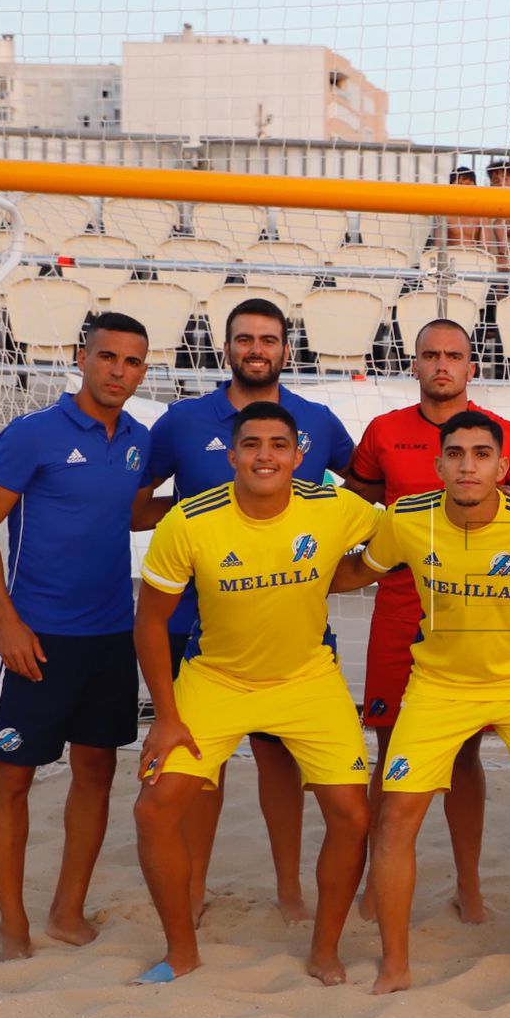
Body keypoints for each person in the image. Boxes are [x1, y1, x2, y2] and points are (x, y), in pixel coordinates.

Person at [330, 411, 510, 995]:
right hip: (438, 685)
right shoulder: (406, 520)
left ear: (502, 467)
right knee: (394, 817)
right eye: (457, 454)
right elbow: (352, 571)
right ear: (438, 465)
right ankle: (395, 965)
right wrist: (288, 575)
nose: (469, 464)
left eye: (481, 454)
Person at [132, 402, 381, 985]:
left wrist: (349, 574)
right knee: (153, 811)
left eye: (277, 444)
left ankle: (324, 951)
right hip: (216, 679)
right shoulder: (190, 520)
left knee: (352, 815)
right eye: (251, 445)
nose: (264, 455)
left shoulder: (337, 507)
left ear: (299, 455)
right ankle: (181, 952)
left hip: (307, 679)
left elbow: (395, 542)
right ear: (232, 454)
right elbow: (148, 623)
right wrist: (165, 717)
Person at [132, 297, 357, 926]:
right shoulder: (182, 422)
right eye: (244, 339)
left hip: (288, 625)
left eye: (268, 339)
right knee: (200, 763)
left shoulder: (315, 420)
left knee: (280, 757)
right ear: (226, 347)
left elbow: (360, 495)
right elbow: (134, 504)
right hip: (195, 625)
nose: (256, 349)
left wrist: (327, 570)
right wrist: (197, 521)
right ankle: (195, 887)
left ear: (287, 349)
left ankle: (289, 888)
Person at [341, 317, 510, 926]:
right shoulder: (383, 432)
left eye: (453, 355)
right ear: (415, 363)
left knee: (464, 755)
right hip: (401, 606)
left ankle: (469, 884)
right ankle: (380, 883)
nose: (441, 365)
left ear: (471, 365)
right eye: (430, 354)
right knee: (391, 749)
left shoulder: (508, 436)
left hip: (477, 614)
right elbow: (353, 512)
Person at [0, 313, 152, 962]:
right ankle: (12, 927)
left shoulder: (138, 439)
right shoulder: (33, 434)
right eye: (107, 357)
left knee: (96, 770)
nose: (117, 371)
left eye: (131, 361)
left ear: (143, 370)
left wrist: (208, 498)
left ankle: (67, 913)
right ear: (82, 356)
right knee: (12, 779)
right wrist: (7, 622)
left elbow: (127, 510)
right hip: (38, 636)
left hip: (109, 636)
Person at [441, 166, 496, 254]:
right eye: (459, 184)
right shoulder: (444, 213)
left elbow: (485, 249)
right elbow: (439, 245)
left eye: (468, 185)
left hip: (475, 261)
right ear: (451, 187)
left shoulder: (482, 214)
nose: (464, 189)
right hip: (450, 259)